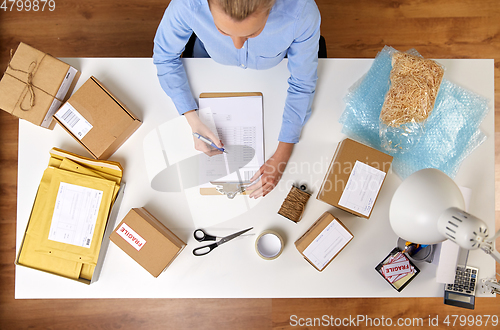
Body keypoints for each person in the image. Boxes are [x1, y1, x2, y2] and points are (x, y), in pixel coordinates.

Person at [153, 0, 320, 198]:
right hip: (208, 71)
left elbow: (302, 83)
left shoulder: (301, 11)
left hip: (274, 78)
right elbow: (164, 57)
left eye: (252, 34)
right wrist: (192, 118)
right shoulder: (187, 4)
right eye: (222, 31)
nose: (237, 45)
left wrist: (283, 152)